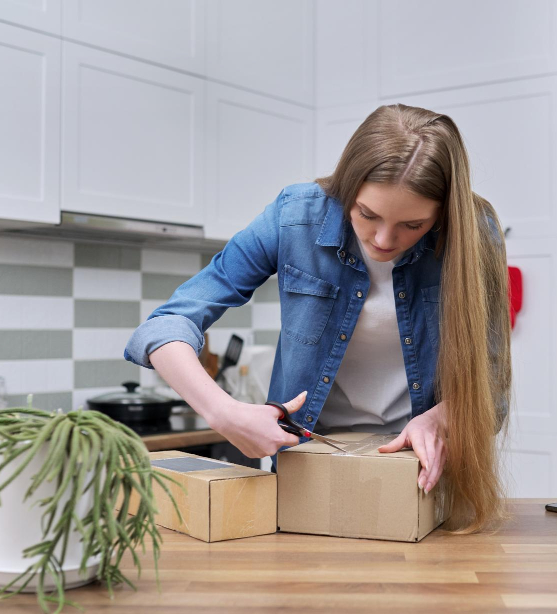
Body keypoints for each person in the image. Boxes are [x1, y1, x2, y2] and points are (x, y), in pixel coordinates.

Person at [125, 104, 511, 532]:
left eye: (413, 224)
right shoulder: (295, 217)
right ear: (347, 188)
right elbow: (165, 324)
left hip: (422, 476)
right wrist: (223, 413)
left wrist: (440, 418)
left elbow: (490, 386)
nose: (384, 239)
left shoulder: (474, 234)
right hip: (309, 465)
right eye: (367, 214)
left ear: (442, 213)